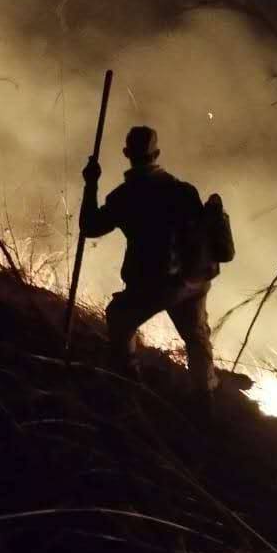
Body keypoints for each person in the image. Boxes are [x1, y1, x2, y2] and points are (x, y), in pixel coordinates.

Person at [80, 125, 217, 407]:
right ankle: (205, 400)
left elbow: (90, 227)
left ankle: (128, 384)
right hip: (192, 280)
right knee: (196, 336)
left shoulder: (124, 197)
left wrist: (91, 182)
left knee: (119, 317)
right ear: (157, 154)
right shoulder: (184, 191)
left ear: (126, 153)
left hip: (153, 284)